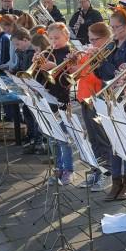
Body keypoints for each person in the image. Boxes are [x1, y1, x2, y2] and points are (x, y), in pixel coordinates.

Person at [102, 5, 126, 201]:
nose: (114, 32)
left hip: (125, 100)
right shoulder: (114, 46)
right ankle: (116, 181)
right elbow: (106, 74)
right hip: (113, 98)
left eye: (117, 27)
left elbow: (124, 75)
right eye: (112, 27)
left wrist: (103, 63)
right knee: (113, 141)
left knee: (123, 141)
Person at [76, 21, 114, 191]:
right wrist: (75, 61)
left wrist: (93, 60)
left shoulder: (107, 54)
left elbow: (101, 79)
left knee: (102, 139)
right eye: (89, 40)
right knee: (92, 139)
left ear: (106, 38)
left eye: (94, 40)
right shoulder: (91, 53)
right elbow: (77, 73)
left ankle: (108, 174)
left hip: (98, 99)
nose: (91, 43)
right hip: (84, 98)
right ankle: (97, 170)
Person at [42, 23, 75, 183]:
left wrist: (54, 67)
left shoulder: (70, 54)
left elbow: (67, 80)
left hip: (62, 99)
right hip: (47, 98)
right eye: (51, 38)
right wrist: (36, 66)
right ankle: (58, 168)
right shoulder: (48, 52)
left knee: (64, 138)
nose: (53, 41)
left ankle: (68, 169)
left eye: (57, 38)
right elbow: (40, 79)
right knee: (52, 138)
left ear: (66, 37)